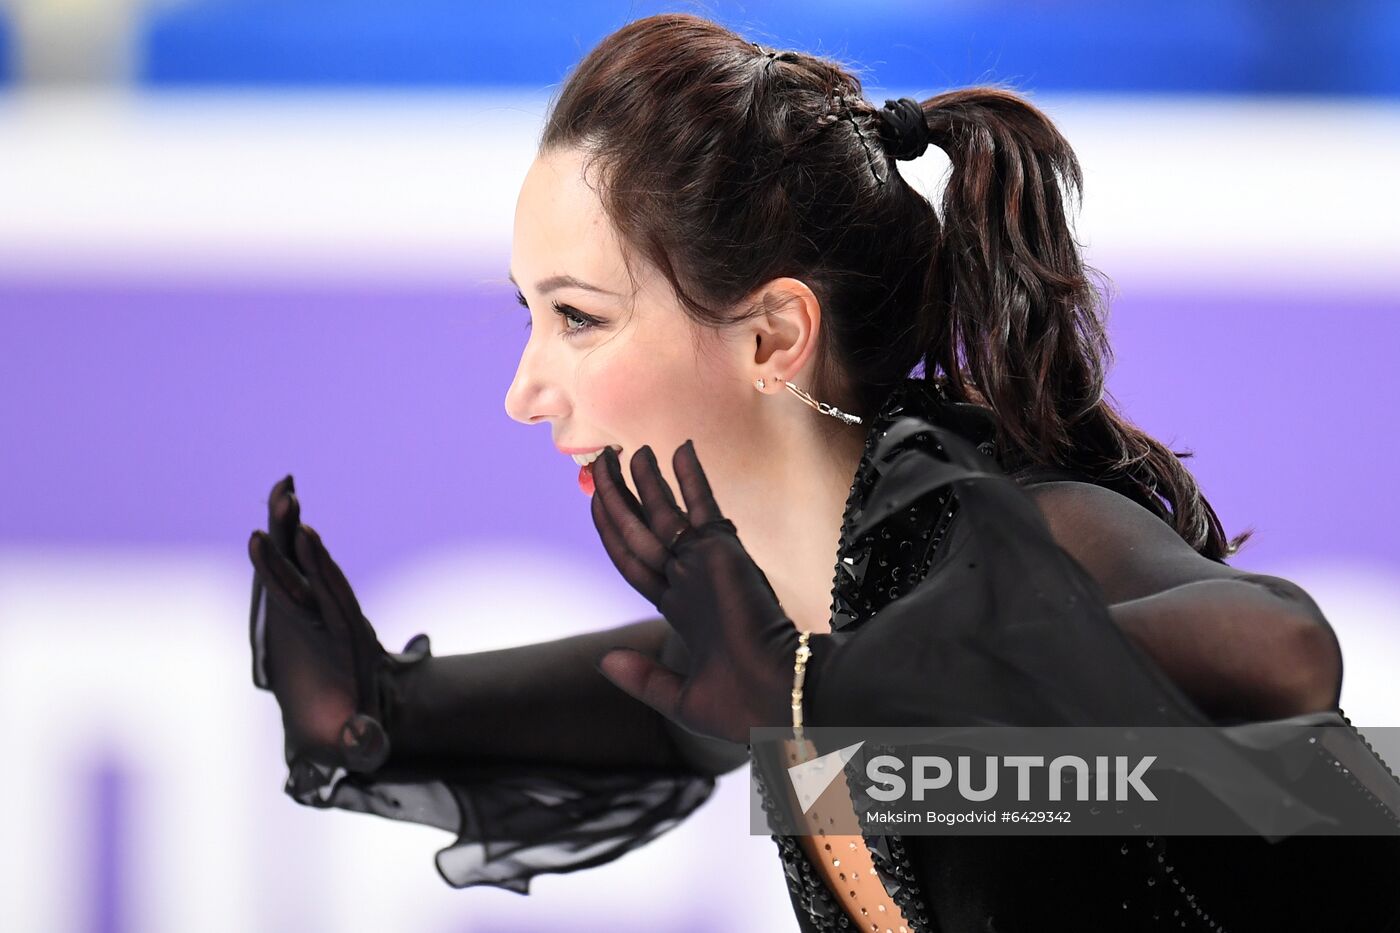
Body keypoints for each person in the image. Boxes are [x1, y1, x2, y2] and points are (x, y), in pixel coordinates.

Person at [246, 13, 1400, 931]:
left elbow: (1282, 649)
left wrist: (815, 699)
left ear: (770, 338)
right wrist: (386, 715)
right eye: (526, 316)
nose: (525, 390)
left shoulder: (992, 535)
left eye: (579, 319)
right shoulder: (822, 609)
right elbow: (679, 702)